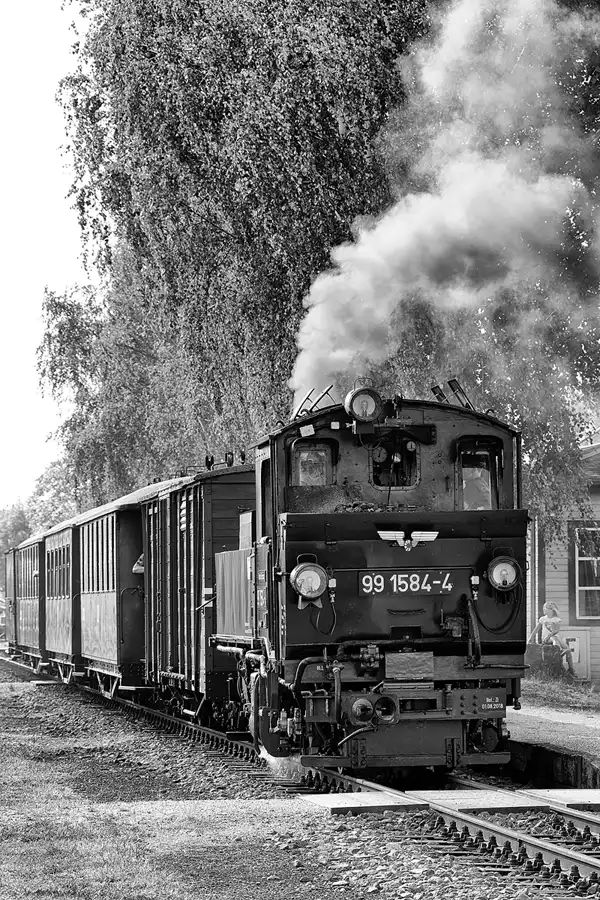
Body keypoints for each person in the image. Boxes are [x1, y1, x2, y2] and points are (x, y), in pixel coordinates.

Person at [528, 601, 576, 677]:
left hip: (554, 637)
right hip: (545, 638)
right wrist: (531, 637)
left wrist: (550, 635)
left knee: (567, 650)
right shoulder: (543, 619)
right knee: (555, 640)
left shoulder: (556, 619)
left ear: (551, 610)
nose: (544, 609)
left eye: (545, 608)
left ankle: (571, 669)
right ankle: (556, 650)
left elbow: (556, 630)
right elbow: (536, 629)